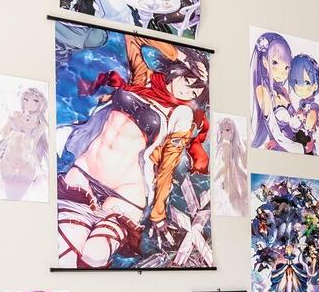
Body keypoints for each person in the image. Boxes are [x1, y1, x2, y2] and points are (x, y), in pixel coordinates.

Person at [57, 36, 207, 268]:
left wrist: (158, 213)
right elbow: (134, 38)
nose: (188, 92)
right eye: (189, 81)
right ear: (177, 70)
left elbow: (167, 166)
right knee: (63, 256)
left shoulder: (181, 114)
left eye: (195, 93)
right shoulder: (143, 79)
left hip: (125, 191)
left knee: (95, 255)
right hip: (83, 175)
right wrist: (180, 54)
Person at [0, 85, 50, 200]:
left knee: (20, 192)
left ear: (40, 104)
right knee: (8, 190)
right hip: (10, 157)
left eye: (35, 100)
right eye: (26, 99)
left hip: (27, 161)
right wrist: (12, 122)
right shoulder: (15, 116)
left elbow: (34, 144)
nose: (29, 103)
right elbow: (4, 135)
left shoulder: (40, 124)